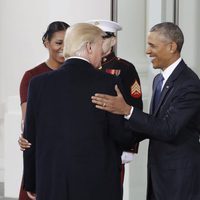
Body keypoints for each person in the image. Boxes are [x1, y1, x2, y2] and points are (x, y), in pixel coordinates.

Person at [23, 23, 136, 200]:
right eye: (101, 47)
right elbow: (121, 135)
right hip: (98, 186)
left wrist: (31, 182)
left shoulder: (38, 84)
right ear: (89, 47)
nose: (103, 54)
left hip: (52, 184)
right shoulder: (108, 83)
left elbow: (30, 137)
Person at [91, 22, 200, 200]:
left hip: (180, 179)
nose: (147, 51)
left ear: (171, 47)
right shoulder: (159, 80)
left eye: (152, 46)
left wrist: (127, 110)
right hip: (159, 175)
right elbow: (152, 124)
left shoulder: (188, 83)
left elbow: (168, 129)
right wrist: (115, 142)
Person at [18, 21, 70, 200]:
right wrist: (25, 135)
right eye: (58, 42)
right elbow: (28, 121)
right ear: (46, 43)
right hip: (44, 156)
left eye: (67, 42)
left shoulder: (77, 76)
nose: (63, 48)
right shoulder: (32, 76)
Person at [88, 19, 143, 185]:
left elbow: (134, 106)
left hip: (114, 140)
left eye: (103, 37)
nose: (97, 41)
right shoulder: (84, 65)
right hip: (88, 138)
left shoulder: (125, 68)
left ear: (113, 40)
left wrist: (130, 146)